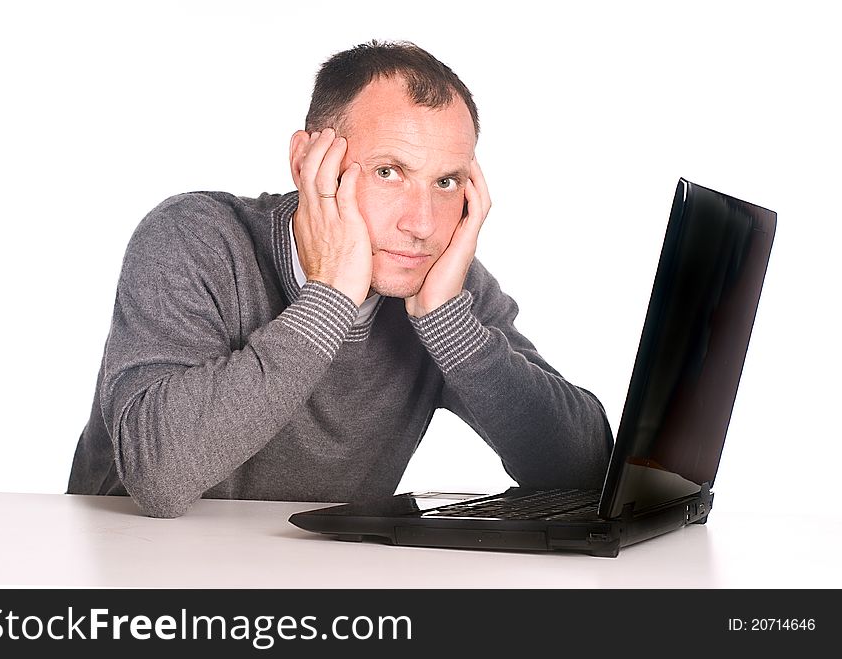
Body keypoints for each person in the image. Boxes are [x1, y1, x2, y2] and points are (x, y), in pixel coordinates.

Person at [67, 40, 614, 518]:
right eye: (388, 172)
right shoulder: (194, 238)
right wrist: (329, 300)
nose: (421, 224)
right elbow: (157, 475)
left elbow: (585, 469)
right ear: (308, 160)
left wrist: (454, 332)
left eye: (446, 181)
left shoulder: (440, 287)